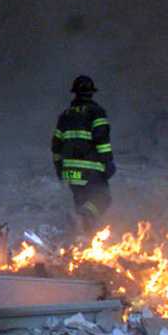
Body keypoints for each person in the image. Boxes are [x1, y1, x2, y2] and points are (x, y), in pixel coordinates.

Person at [51, 75, 115, 234]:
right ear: (92, 93)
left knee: (82, 202)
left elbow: (56, 145)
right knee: (102, 199)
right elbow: (102, 141)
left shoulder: (65, 115)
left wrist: (59, 168)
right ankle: (81, 218)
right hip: (91, 169)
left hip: (70, 172)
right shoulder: (96, 112)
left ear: (75, 93)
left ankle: (82, 238)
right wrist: (108, 162)